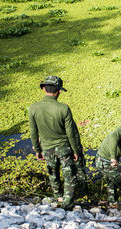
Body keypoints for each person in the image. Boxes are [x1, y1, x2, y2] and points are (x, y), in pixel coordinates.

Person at [29, 75, 79, 210]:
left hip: (47, 148)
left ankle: (58, 197)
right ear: (59, 91)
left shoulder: (33, 108)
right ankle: (67, 203)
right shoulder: (64, 108)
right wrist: (75, 151)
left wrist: (38, 150)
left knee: (53, 173)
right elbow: (71, 133)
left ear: (44, 89)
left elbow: (34, 133)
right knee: (69, 174)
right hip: (64, 148)